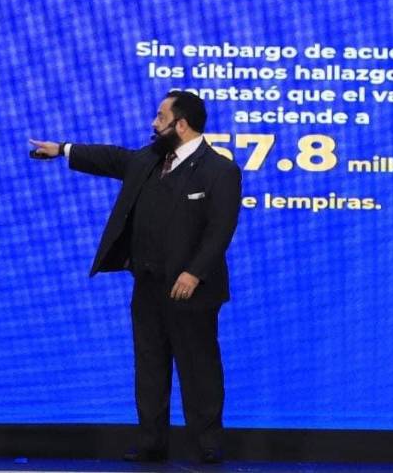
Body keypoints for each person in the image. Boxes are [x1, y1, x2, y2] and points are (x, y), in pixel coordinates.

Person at [29, 91, 242, 464]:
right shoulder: (148, 160)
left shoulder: (220, 170)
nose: (153, 124)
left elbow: (220, 230)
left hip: (191, 290)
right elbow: (112, 158)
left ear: (181, 124)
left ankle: (207, 443)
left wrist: (193, 273)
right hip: (148, 284)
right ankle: (151, 442)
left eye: (160, 117)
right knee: (149, 366)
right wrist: (62, 149)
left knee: (199, 367)